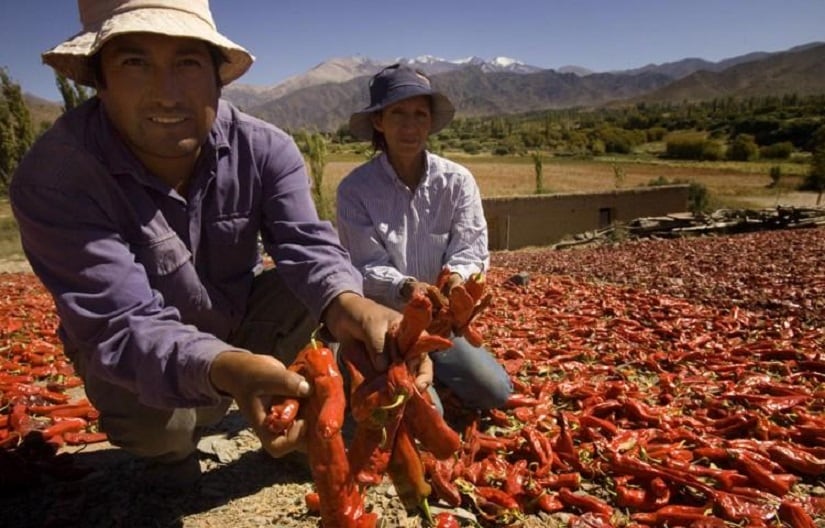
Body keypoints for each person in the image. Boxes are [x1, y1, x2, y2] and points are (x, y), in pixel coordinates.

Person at [10, 0, 431, 480]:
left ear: (218, 75)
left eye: (187, 63)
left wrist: (348, 301)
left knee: (319, 292)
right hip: (139, 348)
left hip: (235, 313)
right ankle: (183, 438)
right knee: (162, 436)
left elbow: (306, 246)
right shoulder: (57, 177)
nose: (165, 94)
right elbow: (120, 323)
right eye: (134, 63)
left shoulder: (265, 148)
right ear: (98, 81)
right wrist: (223, 366)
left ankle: (296, 416)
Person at [336, 64, 512, 413]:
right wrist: (407, 288)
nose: (409, 126)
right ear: (378, 122)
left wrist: (456, 284)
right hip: (385, 323)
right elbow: (365, 265)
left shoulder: (457, 181)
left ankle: (435, 368)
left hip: (440, 323)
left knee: (497, 393)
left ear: (430, 122)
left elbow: (470, 248)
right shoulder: (355, 190)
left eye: (420, 114)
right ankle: (356, 361)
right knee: (426, 413)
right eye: (398, 113)